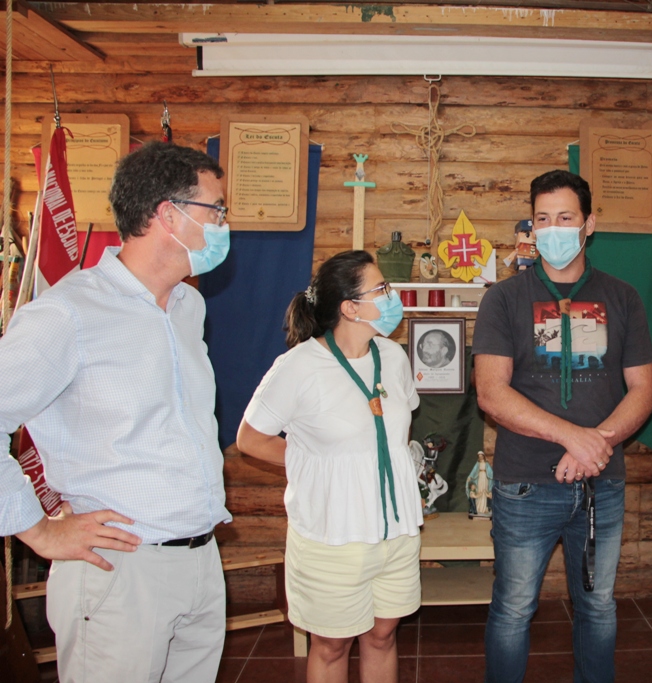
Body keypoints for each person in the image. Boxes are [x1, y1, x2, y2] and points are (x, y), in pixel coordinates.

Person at [0, 141, 233, 682]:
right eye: (217, 210)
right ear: (168, 214)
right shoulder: (69, 312)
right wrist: (39, 531)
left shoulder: (188, 305)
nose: (225, 225)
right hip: (121, 571)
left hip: (200, 561)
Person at [473, 169, 652, 683]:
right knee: (514, 609)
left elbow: (644, 390)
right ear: (531, 227)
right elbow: (491, 393)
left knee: (598, 606)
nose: (552, 229)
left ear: (588, 224)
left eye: (565, 217)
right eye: (542, 219)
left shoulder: (623, 297)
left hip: (603, 483)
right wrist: (571, 437)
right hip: (525, 485)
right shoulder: (503, 299)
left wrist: (593, 447)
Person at [236, 250, 422, 683]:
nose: (392, 296)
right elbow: (250, 439)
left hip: (397, 531)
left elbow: (398, 427)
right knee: (332, 646)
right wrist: (310, 462)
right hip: (332, 536)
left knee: (383, 636)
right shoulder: (298, 366)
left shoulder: (392, 357)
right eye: (382, 289)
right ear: (349, 308)